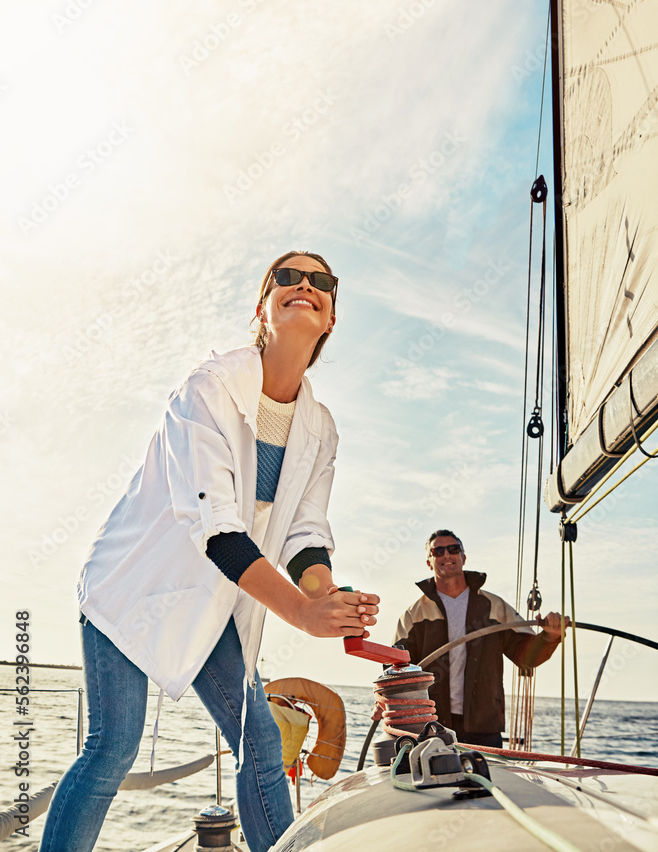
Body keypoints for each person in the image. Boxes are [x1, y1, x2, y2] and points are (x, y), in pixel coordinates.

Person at [40, 250, 380, 852]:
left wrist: (327, 596)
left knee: (259, 741)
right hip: (132, 586)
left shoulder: (320, 427)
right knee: (113, 746)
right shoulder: (209, 388)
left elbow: (306, 533)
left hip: (218, 597)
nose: (304, 286)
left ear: (330, 317)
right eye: (287, 277)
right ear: (262, 306)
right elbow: (217, 528)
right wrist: (301, 614)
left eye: (321, 282)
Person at [393, 529, 565, 747]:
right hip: (432, 726)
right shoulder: (414, 615)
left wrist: (550, 636)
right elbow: (396, 668)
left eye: (453, 549)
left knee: (484, 780)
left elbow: (526, 656)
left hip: (484, 726)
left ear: (463, 557)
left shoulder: (494, 607)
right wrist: (387, 703)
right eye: (438, 551)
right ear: (429, 562)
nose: (446, 555)